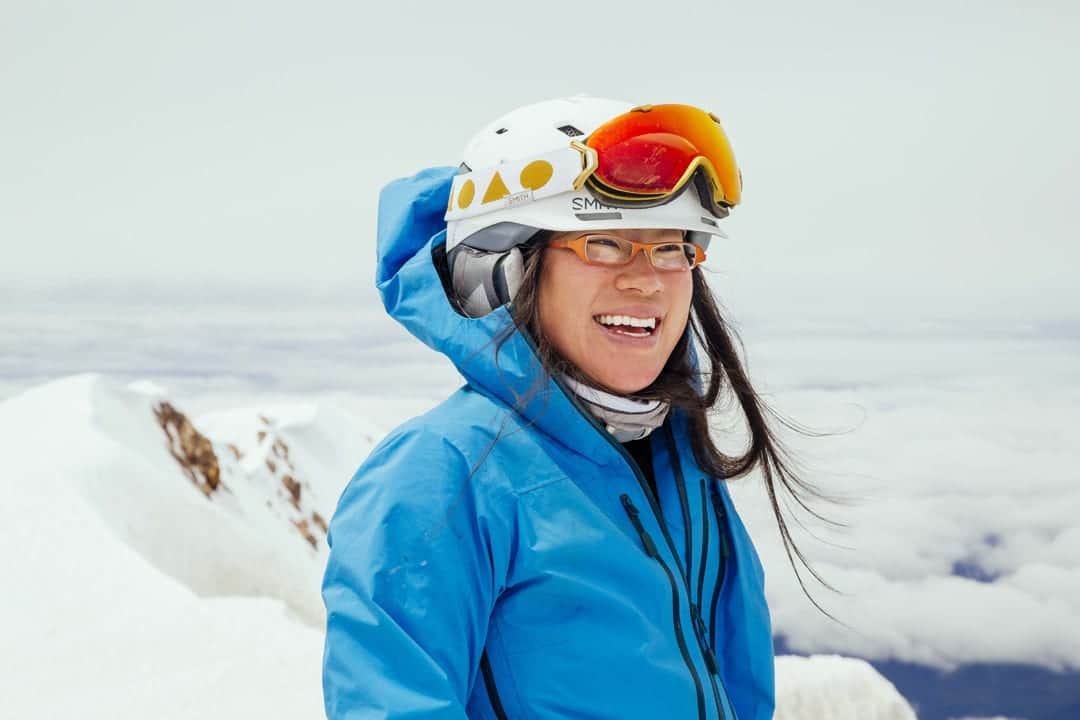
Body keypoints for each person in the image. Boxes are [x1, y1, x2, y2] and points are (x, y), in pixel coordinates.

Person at [323, 96, 820, 720]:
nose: (647, 278)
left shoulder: (675, 460)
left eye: (673, 247)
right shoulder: (442, 474)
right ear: (502, 270)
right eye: (605, 242)